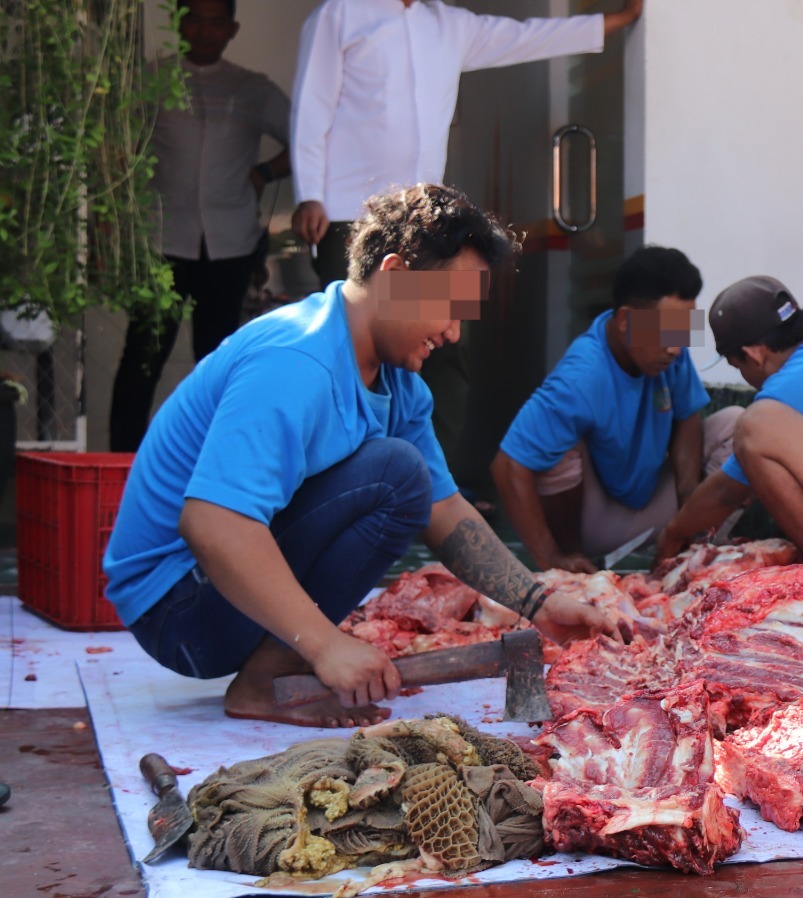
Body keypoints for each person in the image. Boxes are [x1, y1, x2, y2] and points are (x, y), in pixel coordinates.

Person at [102, 184, 623, 729]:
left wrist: (538, 603)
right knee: (396, 472)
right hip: (180, 612)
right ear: (395, 276)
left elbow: (444, 510)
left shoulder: (399, 384)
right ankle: (271, 673)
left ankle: (272, 664)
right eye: (449, 308)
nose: (452, 332)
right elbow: (211, 523)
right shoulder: (295, 360)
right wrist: (324, 645)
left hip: (219, 601)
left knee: (407, 477)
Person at [290, 0, 643, 284]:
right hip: (347, 212)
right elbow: (311, 108)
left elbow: (528, 37)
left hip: (420, 220)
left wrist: (619, 19)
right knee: (356, 338)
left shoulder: (450, 25)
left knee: (433, 340)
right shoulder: (339, 13)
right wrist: (309, 196)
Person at [109, 0, 290, 452]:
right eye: (195, 18)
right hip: (162, 238)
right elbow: (114, 144)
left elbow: (308, 139)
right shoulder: (150, 80)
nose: (205, 30)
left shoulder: (252, 88)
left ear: (232, 29)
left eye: (216, 21)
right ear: (177, 23)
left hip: (230, 243)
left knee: (219, 360)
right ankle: (120, 465)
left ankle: (213, 463)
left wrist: (264, 172)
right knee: (144, 356)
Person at [493, 247, 737, 573]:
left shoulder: (671, 353)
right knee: (555, 448)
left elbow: (688, 419)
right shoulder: (582, 375)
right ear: (625, 320)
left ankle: (693, 554)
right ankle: (573, 562)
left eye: (683, 328)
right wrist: (549, 557)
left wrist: (688, 504)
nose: (675, 346)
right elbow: (507, 466)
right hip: (594, 523)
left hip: (651, 504)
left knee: (738, 423)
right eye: (666, 331)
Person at [657, 276, 803, 559]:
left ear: (754, 354)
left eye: (738, 366)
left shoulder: (782, 390)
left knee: (753, 427)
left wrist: (673, 533)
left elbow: (725, 493)